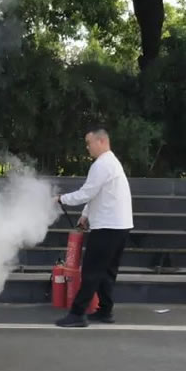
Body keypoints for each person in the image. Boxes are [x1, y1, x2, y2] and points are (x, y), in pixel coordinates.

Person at [53, 126, 133, 327]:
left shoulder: (102, 164)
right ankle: (105, 311)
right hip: (120, 226)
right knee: (107, 272)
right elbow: (98, 194)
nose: (87, 147)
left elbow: (86, 193)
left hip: (107, 227)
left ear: (101, 141)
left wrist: (61, 199)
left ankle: (77, 314)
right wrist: (85, 215)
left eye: (89, 143)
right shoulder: (112, 163)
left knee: (92, 271)